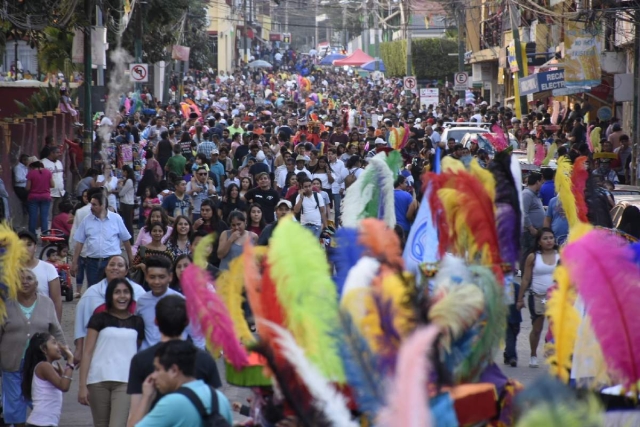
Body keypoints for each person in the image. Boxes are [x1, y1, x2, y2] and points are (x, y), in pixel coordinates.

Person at [127, 295, 222, 423]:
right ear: (187, 322)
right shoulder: (205, 360)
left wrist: (146, 398)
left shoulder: (140, 360)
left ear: (155, 321)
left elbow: (134, 415)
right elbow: (216, 407)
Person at [0, 269, 65, 427]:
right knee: (15, 407)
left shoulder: (46, 303)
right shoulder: (6, 305)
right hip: (12, 362)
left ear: (36, 283)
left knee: (41, 404)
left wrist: (64, 351)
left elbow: (55, 329)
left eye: (29, 278)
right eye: (20, 279)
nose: (25, 281)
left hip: (39, 364)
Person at [78, 278, 145, 427]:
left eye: (126, 292)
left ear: (131, 296)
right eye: (117, 292)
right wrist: (82, 386)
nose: (122, 296)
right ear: (110, 296)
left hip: (125, 381)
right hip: (98, 380)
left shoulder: (137, 322)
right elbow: (87, 353)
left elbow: (139, 350)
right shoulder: (98, 319)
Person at [127, 340, 233, 427]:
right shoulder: (219, 399)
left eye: (158, 369)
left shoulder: (172, 403)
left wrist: (146, 398)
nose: (153, 376)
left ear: (174, 370)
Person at [73, 255, 146, 364]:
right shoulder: (92, 293)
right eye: (111, 265)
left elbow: (146, 322)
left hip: (132, 351)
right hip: (101, 351)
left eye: (120, 265)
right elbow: (80, 320)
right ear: (106, 269)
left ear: (126, 271)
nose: (115, 268)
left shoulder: (138, 292)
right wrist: (79, 349)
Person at [135, 256, 204, 350]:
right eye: (152, 277)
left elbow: (197, 336)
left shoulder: (181, 302)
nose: (156, 281)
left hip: (175, 356)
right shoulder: (141, 301)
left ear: (170, 277)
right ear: (146, 277)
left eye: (161, 277)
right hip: (148, 358)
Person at [70, 190, 134, 286]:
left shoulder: (116, 218)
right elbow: (79, 242)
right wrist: (74, 262)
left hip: (112, 262)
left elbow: (126, 240)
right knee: (93, 290)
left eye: (94, 205)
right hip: (92, 263)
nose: (91, 207)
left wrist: (130, 260)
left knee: (112, 288)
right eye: (91, 204)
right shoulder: (87, 220)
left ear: (103, 206)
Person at [516, 228, 559, 368]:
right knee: (537, 328)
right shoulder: (533, 257)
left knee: (555, 328)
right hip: (537, 296)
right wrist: (520, 298)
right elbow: (526, 278)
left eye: (551, 238)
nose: (549, 241)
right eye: (545, 238)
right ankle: (533, 355)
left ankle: (551, 352)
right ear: (539, 242)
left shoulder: (561, 256)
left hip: (556, 297)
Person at [22, 332, 75, 427]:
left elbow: (64, 384)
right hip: (41, 424)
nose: (59, 346)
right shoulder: (44, 366)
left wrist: (62, 373)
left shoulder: (49, 367)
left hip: (44, 423)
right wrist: (70, 360)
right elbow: (64, 386)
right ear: (43, 349)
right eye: (54, 343)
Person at [19, 230, 63, 321]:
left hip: (43, 321)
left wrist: (56, 328)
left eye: (29, 244)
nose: (25, 249)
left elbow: (57, 301)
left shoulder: (48, 268)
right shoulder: (9, 270)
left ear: (35, 247)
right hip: (17, 322)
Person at [520, 172, 544, 272]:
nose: (542, 184)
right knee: (527, 256)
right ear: (537, 182)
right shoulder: (527, 194)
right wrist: (531, 228)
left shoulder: (533, 195)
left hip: (535, 231)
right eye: (541, 182)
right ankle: (526, 278)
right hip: (529, 232)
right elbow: (523, 213)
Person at [26, 159, 54, 235]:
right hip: (46, 197)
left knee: (33, 217)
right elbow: (53, 185)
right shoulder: (48, 172)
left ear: (31, 166)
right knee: (44, 217)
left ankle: (32, 236)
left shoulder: (31, 173)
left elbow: (28, 188)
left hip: (33, 197)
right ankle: (45, 236)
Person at [41, 146, 65, 216]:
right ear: (52, 153)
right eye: (57, 152)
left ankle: (54, 226)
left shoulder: (59, 163)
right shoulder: (43, 163)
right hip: (49, 193)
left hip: (60, 192)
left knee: (57, 213)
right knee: (47, 214)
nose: (59, 154)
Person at [118, 165, 136, 243]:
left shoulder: (129, 181)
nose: (122, 173)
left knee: (128, 223)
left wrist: (120, 186)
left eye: (122, 171)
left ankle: (131, 240)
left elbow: (121, 193)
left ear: (125, 171)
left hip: (127, 203)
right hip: (126, 203)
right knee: (126, 222)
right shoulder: (128, 180)